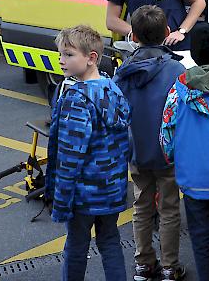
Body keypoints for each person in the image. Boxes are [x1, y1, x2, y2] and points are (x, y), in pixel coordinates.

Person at [46, 25, 131, 281]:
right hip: (112, 189)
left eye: (69, 54)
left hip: (83, 195)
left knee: (75, 248)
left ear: (91, 57)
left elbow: (70, 156)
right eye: (61, 54)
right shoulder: (113, 89)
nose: (62, 60)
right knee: (110, 242)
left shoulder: (76, 99)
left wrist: (60, 200)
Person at [160, 23, 209, 281]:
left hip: (192, 181)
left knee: (202, 242)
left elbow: (167, 136)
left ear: (193, 54)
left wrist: (173, 159)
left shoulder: (178, 91)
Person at [112, 5, 187, 281]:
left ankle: (143, 263)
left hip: (137, 151)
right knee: (169, 208)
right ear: (167, 33)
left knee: (141, 206)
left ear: (133, 36)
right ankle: (169, 266)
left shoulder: (123, 72)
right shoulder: (176, 69)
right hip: (167, 153)